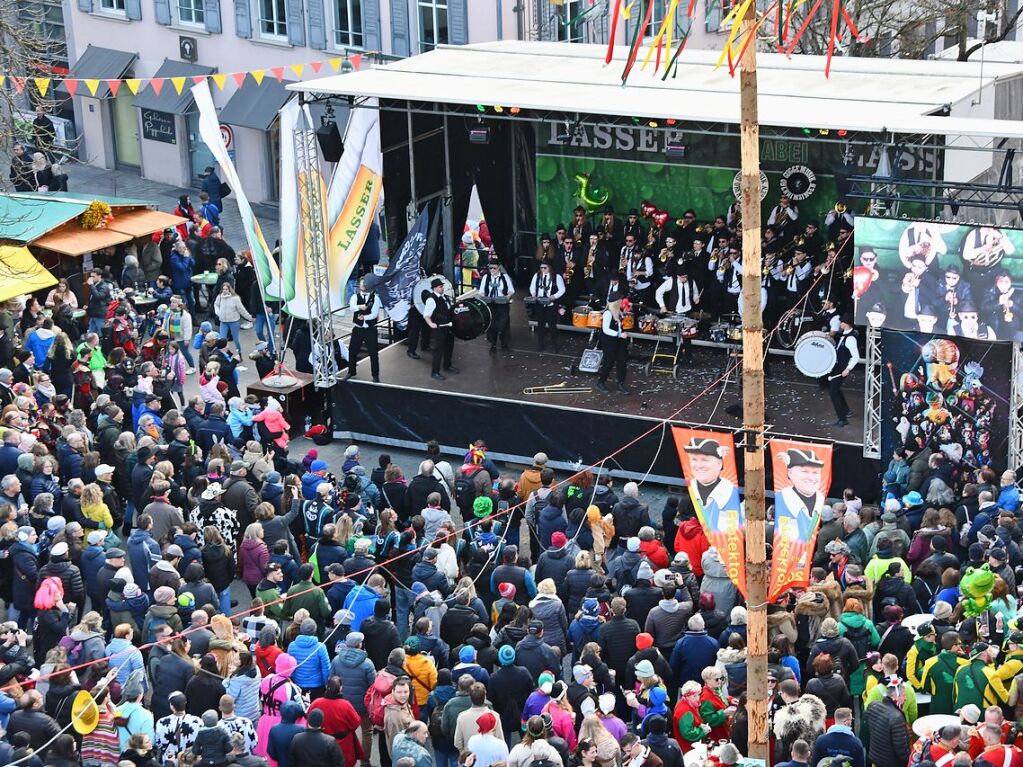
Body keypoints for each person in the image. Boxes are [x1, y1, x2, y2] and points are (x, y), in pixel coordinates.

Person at [422, 277, 456, 381]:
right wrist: (431, 324)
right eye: (441, 287)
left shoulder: (445, 297)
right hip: (439, 328)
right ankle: (435, 371)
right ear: (435, 288)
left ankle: (447, 365)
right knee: (438, 350)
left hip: (448, 327)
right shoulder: (431, 299)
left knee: (449, 347)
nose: (442, 288)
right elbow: (426, 315)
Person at [348, 277, 381, 382]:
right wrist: (360, 307)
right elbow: (352, 307)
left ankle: (375, 374)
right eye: (361, 284)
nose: (362, 286)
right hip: (358, 329)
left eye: (364, 284)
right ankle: (351, 371)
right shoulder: (355, 296)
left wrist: (364, 317)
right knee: (352, 351)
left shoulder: (375, 298)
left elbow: (375, 314)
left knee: (373, 353)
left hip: (370, 330)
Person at [829, 314, 859, 427]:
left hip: (841, 369)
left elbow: (855, 356)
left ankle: (842, 419)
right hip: (838, 368)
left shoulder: (850, 338)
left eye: (841, 322)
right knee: (836, 389)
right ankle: (846, 410)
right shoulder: (845, 336)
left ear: (846, 324)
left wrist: (848, 368)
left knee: (833, 392)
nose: (840, 324)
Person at [529, 262, 565, 355]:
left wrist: (554, 296)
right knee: (540, 325)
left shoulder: (556, 277)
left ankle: (555, 345)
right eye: (541, 268)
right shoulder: (537, 276)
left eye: (545, 268)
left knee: (552, 325)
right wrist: (533, 294)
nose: (543, 270)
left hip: (551, 303)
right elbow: (532, 286)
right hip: (540, 303)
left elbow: (562, 289)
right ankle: (541, 345)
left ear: (549, 267)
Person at [479, 260, 514, 353]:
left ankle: (505, 344)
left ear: (499, 267)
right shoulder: (486, 277)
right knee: (491, 323)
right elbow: (481, 291)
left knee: (504, 323)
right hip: (490, 303)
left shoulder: (505, 277)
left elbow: (511, 290)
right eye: (490, 268)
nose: (492, 270)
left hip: (502, 303)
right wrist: (485, 297)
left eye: (494, 268)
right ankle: (493, 344)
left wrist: (506, 297)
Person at [596, 299, 629, 395]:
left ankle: (620, 383)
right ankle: (601, 382)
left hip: (619, 340)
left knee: (622, 362)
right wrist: (619, 334)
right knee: (608, 362)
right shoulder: (608, 313)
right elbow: (606, 329)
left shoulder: (618, 312)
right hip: (609, 341)